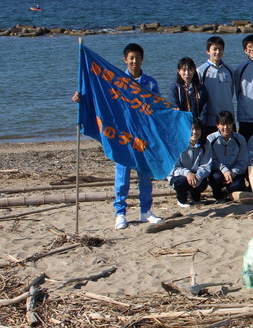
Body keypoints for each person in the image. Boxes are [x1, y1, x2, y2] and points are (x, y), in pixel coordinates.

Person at [73, 43, 164, 229]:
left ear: (142, 59)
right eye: (131, 58)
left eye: (137, 58)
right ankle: (120, 213)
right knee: (122, 176)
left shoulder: (150, 83)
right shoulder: (115, 80)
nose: (134, 61)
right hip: (122, 135)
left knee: (145, 175)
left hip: (143, 137)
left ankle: (145, 211)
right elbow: (98, 94)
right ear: (125, 60)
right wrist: (81, 98)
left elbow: (158, 108)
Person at [206, 110, 249, 201]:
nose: (226, 127)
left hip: (234, 172)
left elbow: (243, 161)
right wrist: (224, 170)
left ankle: (226, 191)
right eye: (223, 124)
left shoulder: (240, 139)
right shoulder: (210, 139)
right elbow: (210, 160)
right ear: (217, 125)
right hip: (218, 171)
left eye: (229, 124)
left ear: (232, 124)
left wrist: (232, 173)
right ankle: (218, 194)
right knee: (216, 178)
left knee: (239, 185)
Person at [198, 36, 236, 137]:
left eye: (220, 49)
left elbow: (231, 92)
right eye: (214, 49)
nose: (217, 52)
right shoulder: (201, 71)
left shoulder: (230, 70)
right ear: (208, 51)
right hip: (210, 120)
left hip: (228, 119)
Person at [169, 119, 211, 207]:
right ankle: (181, 200)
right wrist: (187, 173)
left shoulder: (205, 143)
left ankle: (194, 194)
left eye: (197, 129)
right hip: (179, 175)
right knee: (181, 182)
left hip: (196, 175)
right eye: (191, 129)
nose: (194, 132)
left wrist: (198, 176)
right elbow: (174, 167)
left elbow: (206, 165)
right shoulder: (176, 143)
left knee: (203, 182)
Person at [169, 56, 209, 127]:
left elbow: (205, 109)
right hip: (181, 126)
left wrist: (199, 125)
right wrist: (185, 124)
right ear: (179, 71)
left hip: (198, 127)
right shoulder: (175, 88)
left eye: (190, 69)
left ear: (194, 70)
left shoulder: (200, 88)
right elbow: (175, 107)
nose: (187, 73)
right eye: (184, 70)